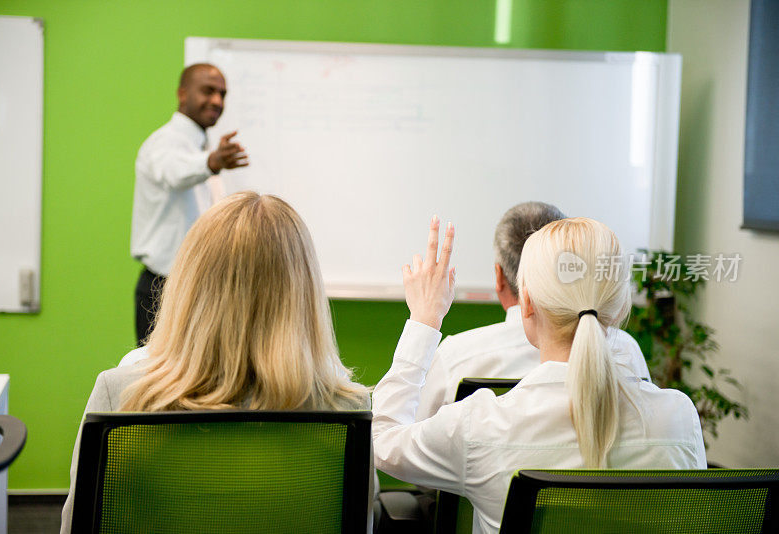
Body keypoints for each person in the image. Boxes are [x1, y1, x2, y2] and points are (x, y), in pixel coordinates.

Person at [372, 216, 706, 534]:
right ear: (620, 306)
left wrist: (424, 320)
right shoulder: (679, 417)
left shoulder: (481, 425)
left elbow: (383, 443)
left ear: (526, 303)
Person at [62, 192, 372, 533]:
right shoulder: (347, 406)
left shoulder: (123, 391)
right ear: (305, 291)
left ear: (189, 283)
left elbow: (77, 525)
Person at [416, 202, 650, 421]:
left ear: (500, 277)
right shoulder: (626, 350)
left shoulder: (455, 357)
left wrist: (423, 320)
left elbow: (403, 444)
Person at [131, 63, 249, 346]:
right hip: (164, 291)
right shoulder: (164, 143)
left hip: (200, 289)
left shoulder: (203, 150)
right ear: (182, 94)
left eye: (222, 94)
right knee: (161, 386)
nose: (217, 101)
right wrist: (212, 162)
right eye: (208, 91)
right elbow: (174, 172)